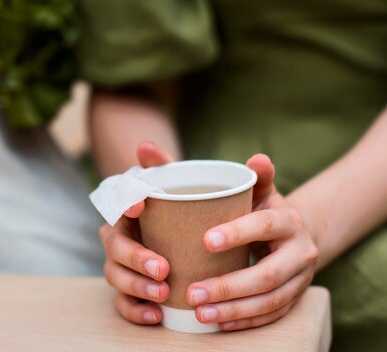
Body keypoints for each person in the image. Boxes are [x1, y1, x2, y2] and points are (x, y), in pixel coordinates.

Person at [77, 1, 387, 350]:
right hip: (198, 151)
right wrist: (151, 201)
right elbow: (131, 83)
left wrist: (313, 222)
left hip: (367, 187)